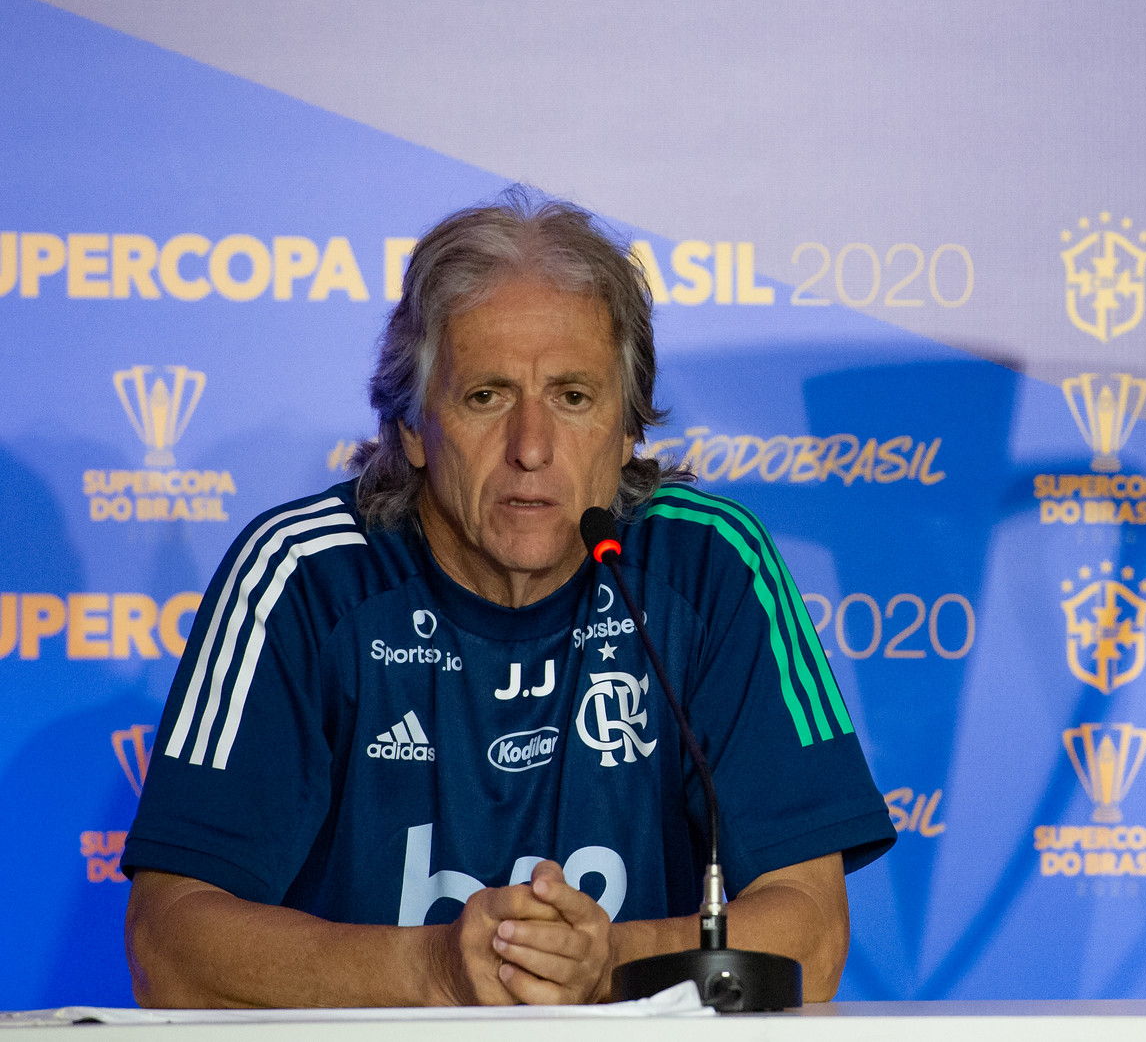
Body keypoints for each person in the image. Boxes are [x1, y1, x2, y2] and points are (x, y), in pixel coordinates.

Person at [122, 190, 892, 1006]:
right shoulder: (302, 578)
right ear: (414, 426)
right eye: (486, 395)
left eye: (572, 397)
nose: (531, 449)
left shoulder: (710, 565)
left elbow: (812, 932)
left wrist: (609, 961)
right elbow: (168, 943)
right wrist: (437, 969)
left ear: (629, 425)